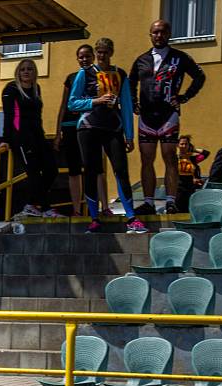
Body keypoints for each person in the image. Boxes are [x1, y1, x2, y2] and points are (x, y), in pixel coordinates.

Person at [68, 37, 146, 234]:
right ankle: (94, 218)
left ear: (111, 52)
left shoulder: (120, 74)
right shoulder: (85, 73)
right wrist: (96, 101)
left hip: (113, 128)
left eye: (105, 52)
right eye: (99, 52)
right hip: (88, 127)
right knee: (92, 171)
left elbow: (127, 106)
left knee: (121, 169)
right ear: (95, 53)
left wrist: (129, 135)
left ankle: (131, 217)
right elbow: (72, 103)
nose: (102, 55)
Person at [130, 19, 206, 215]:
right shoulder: (141, 60)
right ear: (150, 35)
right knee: (146, 159)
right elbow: (130, 83)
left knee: (170, 158)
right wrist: (133, 103)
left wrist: (184, 97)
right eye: (155, 32)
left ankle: (171, 201)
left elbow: (200, 76)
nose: (158, 36)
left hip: (168, 116)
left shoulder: (180, 58)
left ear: (169, 34)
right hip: (146, 117)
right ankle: (148, 203)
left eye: (162, 32)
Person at [0, 58, 62, 218]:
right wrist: (6, 139)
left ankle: (30, 204)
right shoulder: (11, 89)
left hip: (37, 136)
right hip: (20, 137)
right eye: (23, 69)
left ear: (35, 72)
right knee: (33, 171)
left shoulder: (36, 89)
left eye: (30, 69)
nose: (26, 72)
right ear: (18, 73)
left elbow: (37, 116)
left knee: (51, 169)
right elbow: (8, 115)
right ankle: (46, 208)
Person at [54, 44, 109, 216]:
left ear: (93, 57)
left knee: (97, 168)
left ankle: (105, 207)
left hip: (92, 126)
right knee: (74, 170)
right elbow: (64, 105)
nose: (84, 59)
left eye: (87, 56)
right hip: (71, 127)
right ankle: (77, 210)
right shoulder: (71, 78)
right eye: (81, 57)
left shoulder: (101, 76)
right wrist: (57, 133)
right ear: (77, 59)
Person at [175, 134, 209, 212]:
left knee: (190, 210)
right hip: (178, 189)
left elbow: (206, 153)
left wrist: (193, 149)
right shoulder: (174, 159)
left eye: (186, 144)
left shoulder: (193, 159)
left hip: (190, 188)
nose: (184, 146)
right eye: (182, 144)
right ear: (178, 145)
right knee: (179, 210)